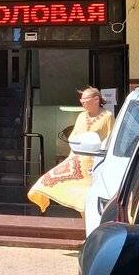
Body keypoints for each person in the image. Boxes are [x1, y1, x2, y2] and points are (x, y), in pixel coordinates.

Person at [27, 86, 114, 214]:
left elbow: (111, 140)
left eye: (85, 100)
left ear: (96, 100)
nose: (82, 102)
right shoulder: (81, 116)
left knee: (88, 197)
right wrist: (70, 158)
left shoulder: (107, 116)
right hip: (77, 160)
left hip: (94, 163)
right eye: (81, 100)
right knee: (47, 181)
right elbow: (74, 137)